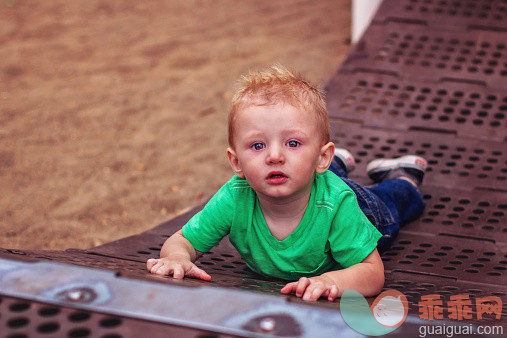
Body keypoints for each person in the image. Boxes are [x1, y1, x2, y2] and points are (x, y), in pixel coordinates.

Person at [147, 65, 426, 301]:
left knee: (393, 202)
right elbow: (183, 241)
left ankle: (403, 175)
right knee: (301, 170)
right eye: (258, 145)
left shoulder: (339, 205)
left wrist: (331, 280)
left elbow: (372, 272)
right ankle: (332, 162)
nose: (275, 156)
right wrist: (177, 257)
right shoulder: (235, 197)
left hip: (363, 207)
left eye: (292, 143)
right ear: (236, 163)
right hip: (312, 177)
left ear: (321, 157)